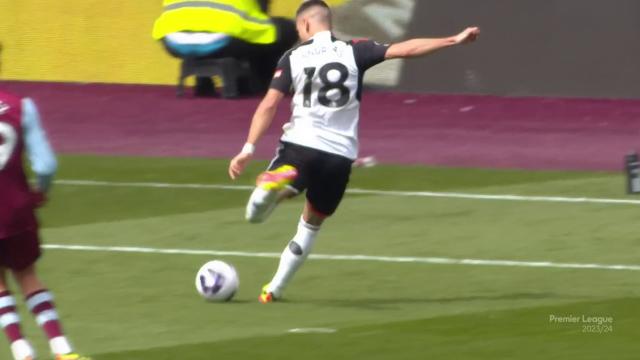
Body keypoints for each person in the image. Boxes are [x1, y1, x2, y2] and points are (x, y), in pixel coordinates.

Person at [228, 0, 480, 303]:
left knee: (255, 216)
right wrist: (453, 39)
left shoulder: (292, 56)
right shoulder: (354, 50)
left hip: (300, 146)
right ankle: (275, 289)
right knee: (310, 224)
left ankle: (275, 185)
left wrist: (247, 148)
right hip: (339, 156)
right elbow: (406, 49)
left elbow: (269, 104)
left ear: (306, 25)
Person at [0, 91, 90, 360]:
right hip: (17, 208)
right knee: (27, 274)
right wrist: (40, 191)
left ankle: (22, 351)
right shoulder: (20, 106)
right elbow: (46, 164)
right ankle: (62, 348)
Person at [153, 0, 298, 94]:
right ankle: (263, 83)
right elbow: (261, 9)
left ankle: (203, 80)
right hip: (222, 37)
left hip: (173, 39)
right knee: (285, 30)